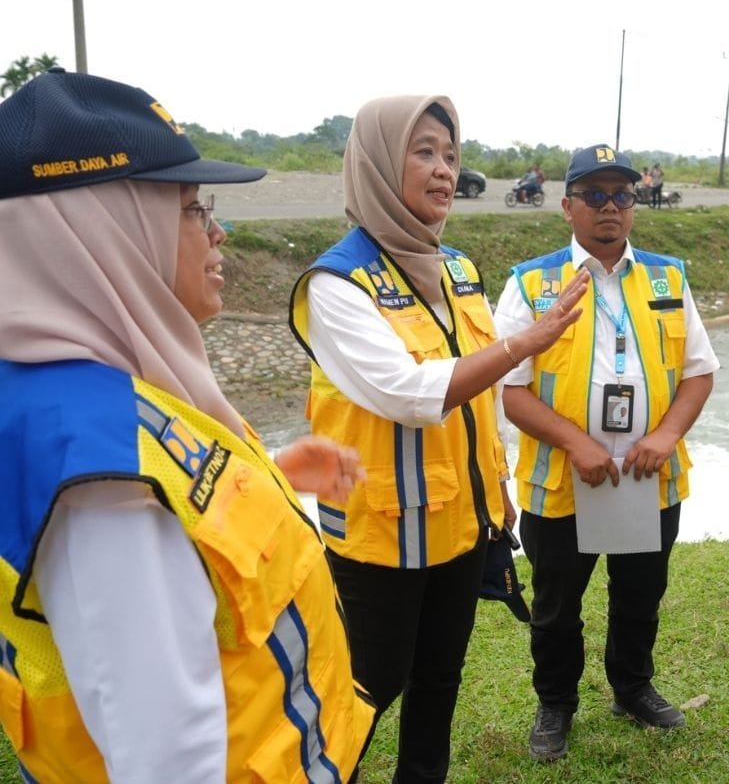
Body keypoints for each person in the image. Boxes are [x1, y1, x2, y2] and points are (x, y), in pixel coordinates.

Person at [0, 69, 375, 782]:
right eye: (191, 207)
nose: (217, 230)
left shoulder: (92, 384)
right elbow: (168, 757)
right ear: (106, 232)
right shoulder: (99, 477)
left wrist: (271, 476)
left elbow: (187, 552)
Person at [289, 95, 588, 783]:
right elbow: (409, 391)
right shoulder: (336, 283)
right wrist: (526, 341)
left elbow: (477, 401)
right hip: (379, 536)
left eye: (451, 155)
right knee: (366, 689)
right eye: (423, 151)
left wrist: (499, 489)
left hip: (460, 524)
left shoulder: (455, 267)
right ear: (375, 163)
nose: (444, 170)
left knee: (438, 681)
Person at [493, 143, 719, 762]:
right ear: (567, 206)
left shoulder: (669, 277)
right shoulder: (531, 283)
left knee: (640, 592)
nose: (610, 207)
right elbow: (508, 390)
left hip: (651, 477)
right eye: (594, 195)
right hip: (561, 482)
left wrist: (666, 434)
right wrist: (575, 443)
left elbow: (699, 373)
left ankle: (632, 686)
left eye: (621, 195)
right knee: (557, 605)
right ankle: (556, 703)